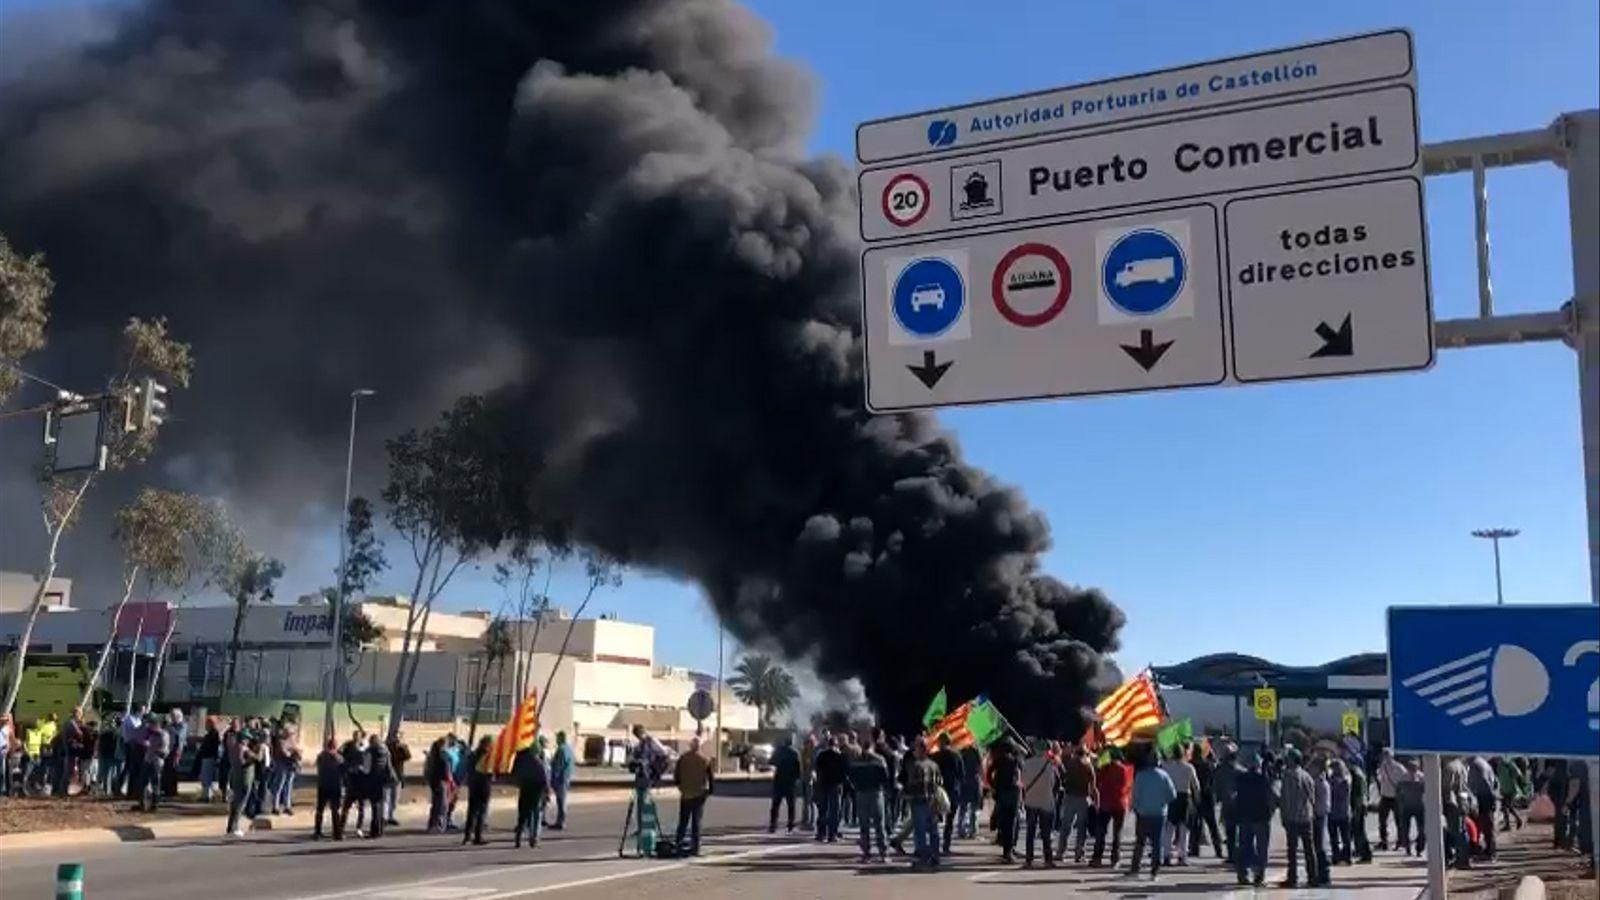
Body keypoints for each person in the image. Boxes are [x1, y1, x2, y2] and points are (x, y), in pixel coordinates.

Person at [1128, 746, 1176, 881]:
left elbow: (1135, 795)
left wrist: (1135, 808)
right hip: (1159, 814)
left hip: (1143, 813)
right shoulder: (1164, 776)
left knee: (1140, 842)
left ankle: (1135, 869)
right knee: (1157, 844)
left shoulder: (1141, 775)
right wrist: (1163, 802)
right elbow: (1172, 795)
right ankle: (1154, 872)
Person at [1278, 749, 1320, 888]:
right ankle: (1313, 877)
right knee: (1309, 849)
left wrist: (1284, 816)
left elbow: (1285, 799)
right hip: (1306, 817)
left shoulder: (1288, 776)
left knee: (1292, 851)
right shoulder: (1307, 776)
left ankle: (1293, 878)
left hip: (1292, 818)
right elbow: (1312, 797)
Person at [1232, 749, 1274, 887]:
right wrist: (1270, 813)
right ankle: (1259, 875)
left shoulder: (1240, 780)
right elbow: (1271, 799)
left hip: (1244, 817)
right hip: (1261, 818)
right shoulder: (1263, 780)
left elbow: (1235, 798)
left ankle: (1242, 874)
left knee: (1244, 847)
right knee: (1262, 848)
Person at [1019, 737, 1060, 869]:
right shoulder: (1050, 765)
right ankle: (1048, 859)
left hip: (1031, 800)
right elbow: (1054, 784)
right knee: (1046, 832)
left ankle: (1028, 859)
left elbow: (1023, 783)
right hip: (1046, 801)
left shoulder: (1027, 764)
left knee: (1030, 832)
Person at [903, 738, 943, 869]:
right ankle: (935, 856)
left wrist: (907, 796)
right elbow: (939, 784)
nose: (914, 751)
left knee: (920, 832)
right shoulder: (934, 765)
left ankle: (922, 858)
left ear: (921, 750)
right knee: (933, 831)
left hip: (918, 801)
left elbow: (912, 785)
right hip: (932, 801)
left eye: (916, 748)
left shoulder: (915, 766)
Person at [849, 741, 890, 863]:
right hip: (875, 792)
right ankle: (883, 853)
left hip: (862, 792)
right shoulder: (879, 759)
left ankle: (866, 853)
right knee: (879, 824)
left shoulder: (856, 760)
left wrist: (856, 786)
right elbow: (885, 776)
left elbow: (851, 776)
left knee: (864, 825)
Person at [673, 736, 714, 856]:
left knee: (683, 821)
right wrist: (710, 791)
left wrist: (680, 786)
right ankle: (696, 847)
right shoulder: (705, 759)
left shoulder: (683, 758)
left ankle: (678, 843)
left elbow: (676, 775)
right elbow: (711, 777)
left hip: (686, 793)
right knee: (696, 821)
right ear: (700, 746)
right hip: (699, 793)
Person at [1091, 747, 1131, 868]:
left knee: (1101, 832)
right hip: (1120, 803)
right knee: (1117, 833)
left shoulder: (1105, 768)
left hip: (1106, 803)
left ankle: (1097, 858)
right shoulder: (1127, 769)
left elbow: (1097, 782)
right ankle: (1115, 859)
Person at [1057, 742, 1097, 863]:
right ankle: (1079, 853)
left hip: (1069, 796)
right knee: (1081, 828)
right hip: (1083, 798)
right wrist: (1095, 800)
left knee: (1066, 826)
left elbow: (1062, 776)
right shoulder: (1088, 765)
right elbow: (1093, 784)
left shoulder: (1069, 763)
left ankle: (1060, 852)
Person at [1159, 745, 1199, 866]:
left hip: (1170, 798)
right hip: (1185, 797)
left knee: (1169, 828)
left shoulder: (1166, 767)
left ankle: (1166, 855)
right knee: (1183, 829)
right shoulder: (1189, 767)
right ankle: (1182, 856)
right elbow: (1196, 785)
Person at [989, 738, 1022, 863]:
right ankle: (1009, 850)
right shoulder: (1016, 760)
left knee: (1004, 822)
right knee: (1012, 823)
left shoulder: (999, 759)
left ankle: (1006, 850)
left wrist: (994, 785)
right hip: (1013, 793)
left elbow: (989, 772)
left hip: (1002, 793)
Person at [512, 739, 550, 849]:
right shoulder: (539, 763)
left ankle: (518, 838)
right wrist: (547, 792)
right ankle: (534, 839)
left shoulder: (523, 762)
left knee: (522, 816)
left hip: (525, 790)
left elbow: (517, 775)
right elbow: (544, 779)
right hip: (536, 792)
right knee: (536, 816)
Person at [1187, 743, 1223, 860]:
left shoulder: (1191, 765)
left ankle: (1194, 849)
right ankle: (1218, 849)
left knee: (1195, 825)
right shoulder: (1208, 765)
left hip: (1196, 797)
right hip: (1208, 797)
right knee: (1212, 825)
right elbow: (1213, 781)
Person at [930, 734, 965, 855]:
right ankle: (946, 845)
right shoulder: (957, 756)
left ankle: (934, 846)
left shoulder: (934, 757)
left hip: (938, 790)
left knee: (934, 819)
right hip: (953, 790)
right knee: (949, 821)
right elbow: (961, 775)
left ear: (941, 743)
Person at [226, 732, 262, 838]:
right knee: (240, 804)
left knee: (235, 803)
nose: (248, 741)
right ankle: (234, 827)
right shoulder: (243, 749)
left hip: (235, 777)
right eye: (247, 739)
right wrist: (259, 749)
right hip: (244, 779)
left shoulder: (234, 748)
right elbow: (258, 758)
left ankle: (231, 827)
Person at [1212, 742, 1242, 865]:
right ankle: (1234, 854)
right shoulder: (1239, 770)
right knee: (1234, 832)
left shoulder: (1221, 770)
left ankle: (1233, 854)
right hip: (1234, 804)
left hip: (1230, 804)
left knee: (1231, 831)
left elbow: (1215, 787)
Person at [1442, 755, 1475, 869]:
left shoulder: (1449, 767)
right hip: (1462, 801)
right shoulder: (1461, 766)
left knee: (1457, 831)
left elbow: (1447, 787)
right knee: (1461, 830)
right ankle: (1462, 857)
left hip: (1453, 802)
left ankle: (1462, 859)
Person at [813, 735, 846, 843]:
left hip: (823, 784)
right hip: (835, 785)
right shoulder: (840, 756)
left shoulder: (822, 755)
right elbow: (844, 772)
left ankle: (821, 833)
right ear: (836, 745)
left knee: (823, 810)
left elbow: (817, 769)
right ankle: (832, 834)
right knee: (834, 811)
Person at [338, 729, 371, 838]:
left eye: (358, 735)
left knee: (361, 807)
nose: (356, 737)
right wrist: (347, 766)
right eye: (354, 735)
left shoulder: (364, 746)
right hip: (351, 782)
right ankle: (341, 829)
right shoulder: (348, 745)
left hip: (361, 783)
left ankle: (359, 828)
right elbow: (340, 753)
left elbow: (367, 762)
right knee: (346, 807)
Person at [462, 736, 493, 846]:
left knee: (472, 811)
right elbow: (490, 771)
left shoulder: (472, 755)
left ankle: (467, 836)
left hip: (473, 785)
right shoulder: (488, 756)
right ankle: (478, 836)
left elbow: (468, 769)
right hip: (484, 785)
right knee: (481, 812)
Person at [1467, 754, 1499, 860]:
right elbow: (1495, 782)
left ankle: (1489, 851)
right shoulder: (1484, 764)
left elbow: (1472, 784)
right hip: (1489, 796)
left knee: (1483, 824)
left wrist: (1471, 798)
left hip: (1482, 797)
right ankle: (1489, 849)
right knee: (1488, 825)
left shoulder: (1474, 765)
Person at [366, 733, 397, 838]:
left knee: (374, 806)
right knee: (381, 804)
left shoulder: (370, 751)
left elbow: (367, 768)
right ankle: (380, 830)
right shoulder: (386, 750)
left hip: (372, 779)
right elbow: (389, 765)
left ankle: (374, 830)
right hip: (383, 779)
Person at [313, 738, 344, 840]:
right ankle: (337, 833)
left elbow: (317, 767)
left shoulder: (321, 756)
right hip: (335, 786)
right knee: (335, 810)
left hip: (322, 785)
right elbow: (342, 771)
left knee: (320, 810)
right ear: (335, 746)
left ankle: (317, 832)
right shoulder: (338, 758)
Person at [769, 735, 801, 833]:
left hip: (779, 779)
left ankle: (773, 824)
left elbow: (771, 761)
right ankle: (790, 824)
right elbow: (798, 767)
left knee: (776, 804)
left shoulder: (779, 751)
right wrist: (797, 778)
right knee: (791, 804)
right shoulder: (795, 753)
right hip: (790, 781)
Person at [1375, 747, 1406, 850]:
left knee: (1399, 821)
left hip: (1396, 798)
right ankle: (1384, 841)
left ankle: (1401, 842)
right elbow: (1379, 779)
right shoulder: (1382, 768)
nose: (1384, 758)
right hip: (1385, 797)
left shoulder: (1399, 768)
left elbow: (1405, 781)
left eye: (1386, 755)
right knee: (1382, 821)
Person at [1309, 756, 1333, 885]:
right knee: (1320, 845)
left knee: (1320, 846)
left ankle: (1324, 874)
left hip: (1319, 815)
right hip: (1321, 813)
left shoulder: (1319, 781)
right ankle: (1322, 873)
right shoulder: (1322, 780)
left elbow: (1316, 800)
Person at [140, 716, 171, 811]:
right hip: (148, 759)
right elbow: (144, 741)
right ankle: (142, 803)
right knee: (143, 781)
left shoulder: (163, 734)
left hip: (156, 761)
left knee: (155, 782)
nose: (149, 726)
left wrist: (155, 749)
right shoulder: (150, 733)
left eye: (151, 724)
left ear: (156, 725)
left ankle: (155, 803)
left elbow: (164, 749)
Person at [1396, 758, 1426, 855]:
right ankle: (1407, 847)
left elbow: (1427, 791)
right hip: (1406, 807)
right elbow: (1398, 792)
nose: (1413, 770)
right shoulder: (1403, 777)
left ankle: (1419, 848)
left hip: (1419, 806)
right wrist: (1400, 803)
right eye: (1411, 768)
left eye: (1415, 768)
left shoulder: (1422, 778)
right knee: (1405, 829)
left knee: (1422, 829)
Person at [1347, 753, 1374, 862]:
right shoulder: (1360, 773)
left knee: (1359, 830)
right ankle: (1361, 851)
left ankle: (1366, 853)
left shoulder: (1355, 774)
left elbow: (1356, 793)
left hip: (1358, 806)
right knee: (1357, 830)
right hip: (1361, 804)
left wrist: (1355, 809)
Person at [1328, 758, 1353, 865]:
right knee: (1344, 837)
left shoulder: (1335, 781)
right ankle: (1346, 857)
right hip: (1344, 812)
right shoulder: (1347, 779)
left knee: (1336, 838)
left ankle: (1337, 856)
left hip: (1334, 812)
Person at [548, 731, 574, 830]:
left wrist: (553, 779)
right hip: (565, 778)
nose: (556, 740)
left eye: (557, 738)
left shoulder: (562, 750)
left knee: (561, 801)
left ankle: (561, 822)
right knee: (561, 801)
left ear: (561, 738)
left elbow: (558, 766)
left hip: (561, 780)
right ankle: (560, 821)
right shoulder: (568, 749)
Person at [425, 737, 451, 832]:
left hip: (434, 781)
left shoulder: (432, 755)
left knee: (436, 804)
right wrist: (450, 780)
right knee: (442, 804)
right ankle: (438, 825)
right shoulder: (443, 756)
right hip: (441, 782)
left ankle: (432, 824)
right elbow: (446, 771)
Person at [385, 731, 411, 827]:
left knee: (395, 798)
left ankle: (391, 816)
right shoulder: (388, 747)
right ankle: (385, 817)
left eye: (399, 737)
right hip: (388, 776)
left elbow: (408, 756)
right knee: (386, 797)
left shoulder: (402, 747)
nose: (397, 738)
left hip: (398, 776)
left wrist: (403, 746)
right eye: (396, 736)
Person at [958, 741, 982, 840]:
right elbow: (980, 767)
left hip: (963, 781)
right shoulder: (976, 751)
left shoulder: (961, 752)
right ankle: (973, 831)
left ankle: (961, 830)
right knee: (974, 808)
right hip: (974, 781)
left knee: (963, 807)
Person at [1496, 757, 1527, 832]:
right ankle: (1512, 823)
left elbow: (1518, 775)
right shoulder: (1500, 765)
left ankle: (1514, 822)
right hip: (1504, 789)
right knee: (1506, 807)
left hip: (1511, 789)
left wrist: (1522, 786)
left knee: (1508, 806)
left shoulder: (1510, 765)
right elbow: (1499, 776)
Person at [198, 718, 222, 802]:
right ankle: (206, 794)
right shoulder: (210, 733)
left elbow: (213, 746)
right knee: (205, 777)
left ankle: (207, 795)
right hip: (207, 756)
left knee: (207, 777)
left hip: (209, 757)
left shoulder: (214, 733)